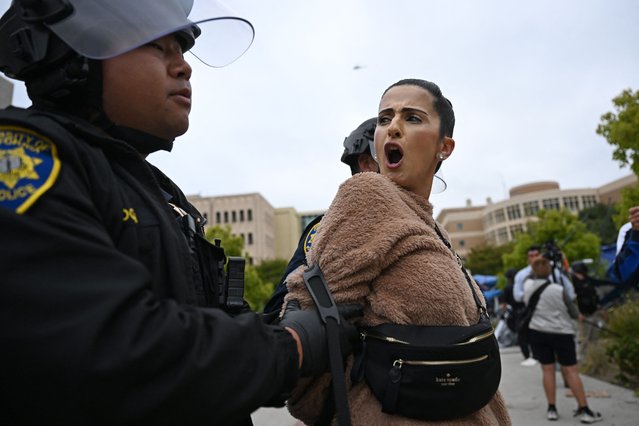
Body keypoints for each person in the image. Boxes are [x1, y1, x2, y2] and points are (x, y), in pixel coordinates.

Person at [0, 1, 358, 424]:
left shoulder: (154, 190)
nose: (183, 67)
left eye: (182, 50)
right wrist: (293, 345)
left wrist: (285, 318)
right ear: (79, 58)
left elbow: (200, 313)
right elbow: (115, 349)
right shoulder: (26, 156)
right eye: (157, 47)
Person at [281, 79, 511, 424]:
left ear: (444, 146)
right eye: (385, 118)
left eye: (413, 118)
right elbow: (313, 318)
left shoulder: (432, 225)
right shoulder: (367, 196)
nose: (393, 128)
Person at [262, 117, 379, 315]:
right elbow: (278, 312)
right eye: (394, 155)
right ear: (367, 164)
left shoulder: (424, 228)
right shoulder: (330, 229)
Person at [523, 257, 603, 423]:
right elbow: (574, 313)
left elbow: (526, 304)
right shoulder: (558, 289)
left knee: (547, 370)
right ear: (550, 271)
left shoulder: (527, 287)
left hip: (538, 332)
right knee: (571, 370)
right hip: (562, 333)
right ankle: (584, 409)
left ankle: (551, 408)